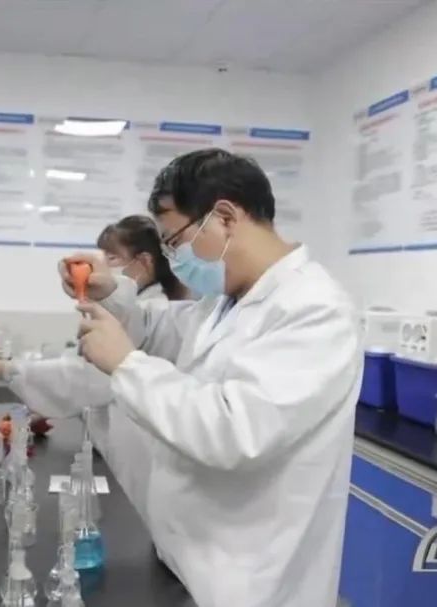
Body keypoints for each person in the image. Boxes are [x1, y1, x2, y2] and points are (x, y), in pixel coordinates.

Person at [59, 149, 362, 607]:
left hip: (251, 580)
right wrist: (114, 294)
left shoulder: (315, 310)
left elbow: (233, 431)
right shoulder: (227, 300)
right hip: (191, 561)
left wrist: (126, 365)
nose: (173, 259)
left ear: (224, 217)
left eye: (174, 241)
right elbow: (160, 329)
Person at [0, 215, 192, 520]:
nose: (100, 265)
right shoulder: (138, 310)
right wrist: (44, 405)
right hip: (123, 457)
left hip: (142, 470)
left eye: (111, 257)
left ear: (143, 263)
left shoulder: (160, 310)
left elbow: (95, 379)